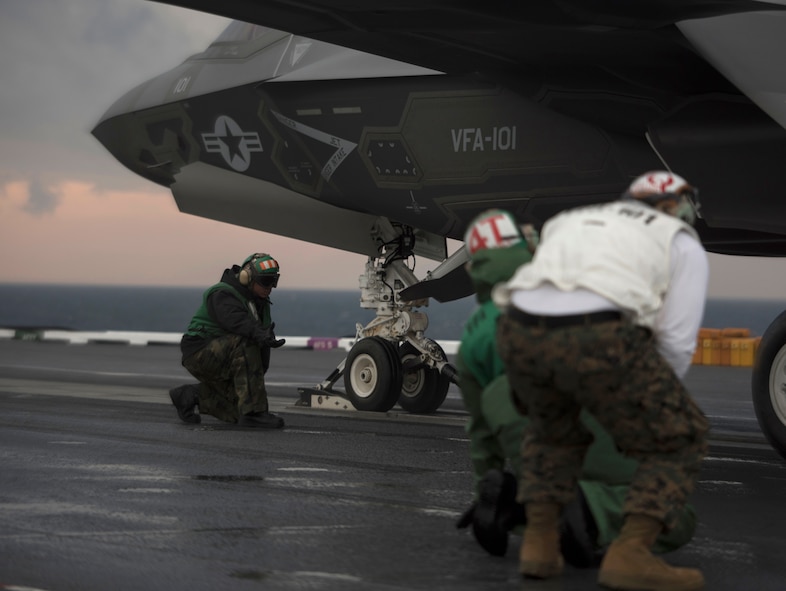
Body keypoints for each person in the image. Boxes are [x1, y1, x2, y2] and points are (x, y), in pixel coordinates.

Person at [494, 171, 710, 590]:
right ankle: (630, 554)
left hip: (517, 330)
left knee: (552, 431)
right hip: (598, 333)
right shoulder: (679, 240)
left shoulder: (572, 218)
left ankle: (539, 546)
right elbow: (676, 342)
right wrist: (650, 412)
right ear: (674, 203)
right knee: (684, 435)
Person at [455, 209, 696, 566]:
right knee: (674, 515)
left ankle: (515, 504)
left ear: (474, 269)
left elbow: (481, 437)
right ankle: (585, 507)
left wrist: (484, 489)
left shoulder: (472, 335)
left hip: (514, 417)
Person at [168, 253, 287, 429]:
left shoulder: (259, 304)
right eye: (266, 281)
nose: (271, 287)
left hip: (225, 355)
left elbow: (258, 351)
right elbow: (237, 321)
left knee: (238, 410)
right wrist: (260, 335)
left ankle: (190, 395)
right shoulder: (222, 293)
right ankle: (253, 413)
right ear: (247, 277)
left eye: (274, 281)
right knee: (245, 341)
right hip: (200, 351)